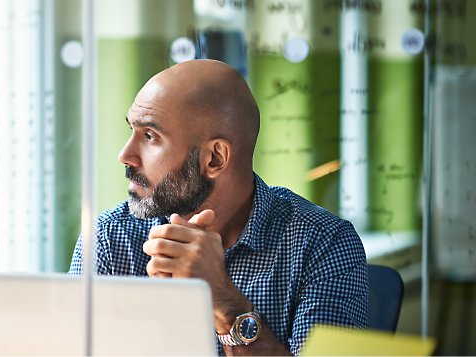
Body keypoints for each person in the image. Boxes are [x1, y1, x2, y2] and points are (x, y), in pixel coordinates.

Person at [69, 59, 368, 356]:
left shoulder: (324, 245)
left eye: (150, 136)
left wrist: (223, 301)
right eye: (132, 131)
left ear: (214, 159)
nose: (125, 155)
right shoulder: (108, 239)